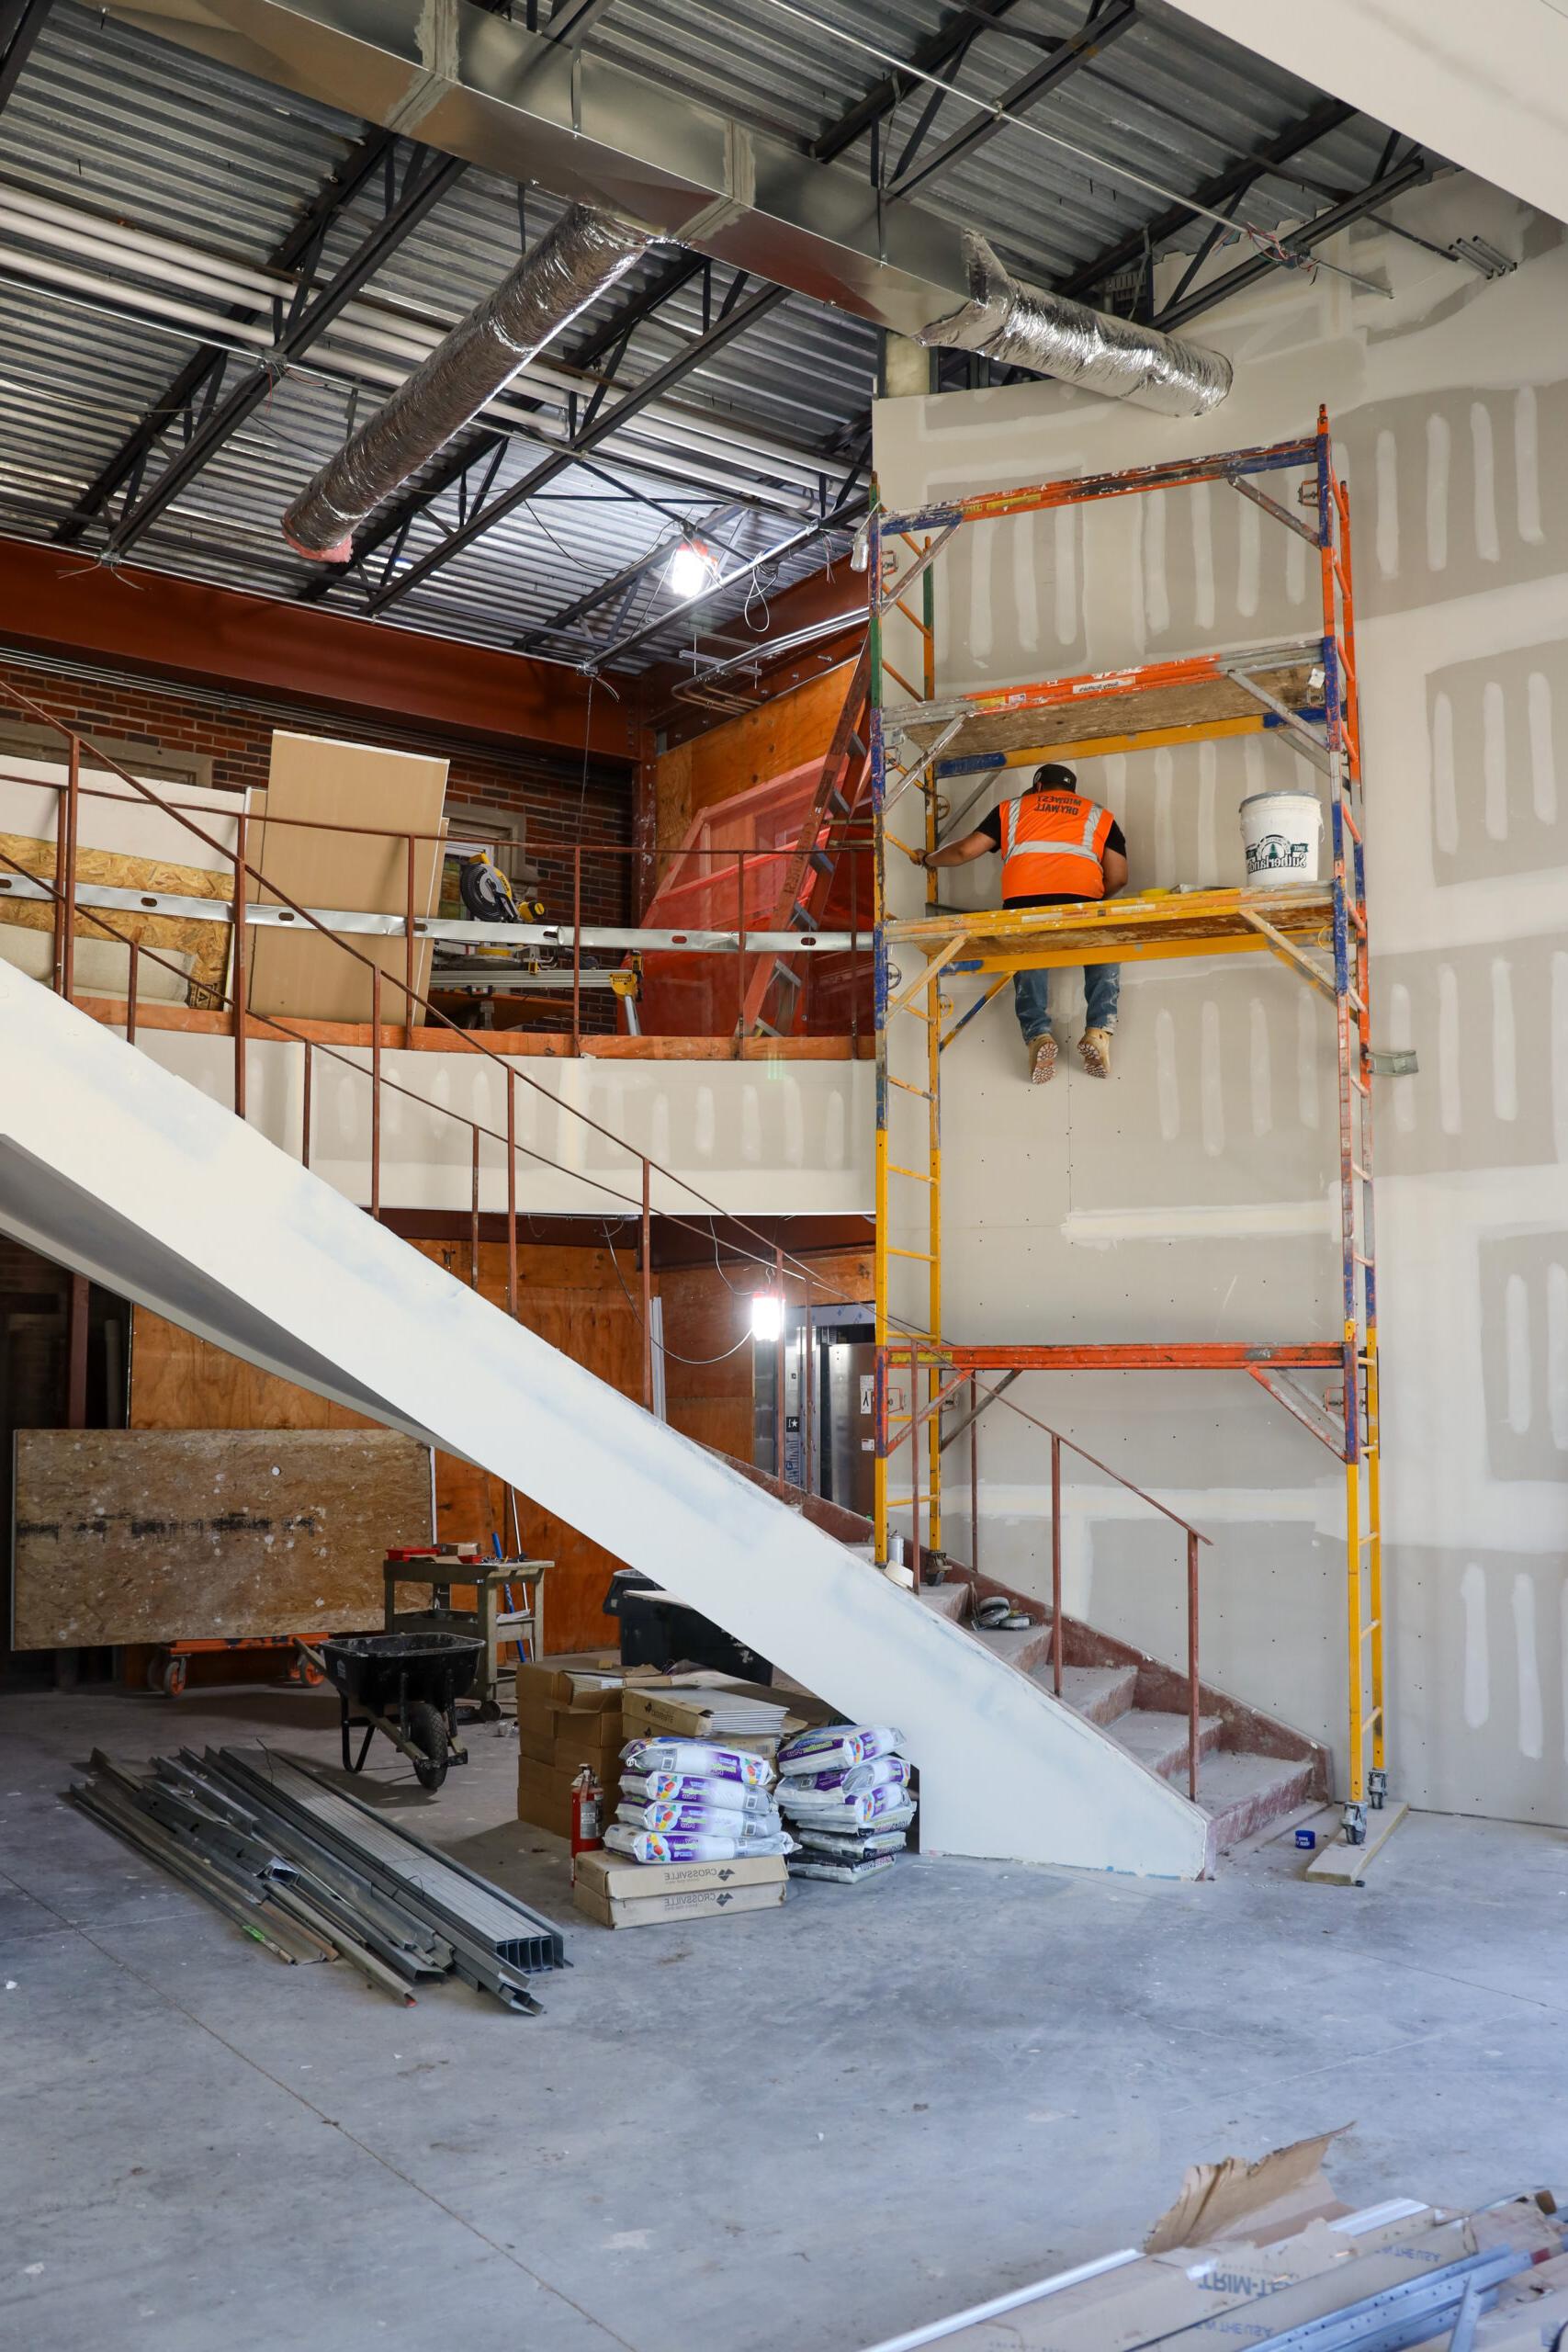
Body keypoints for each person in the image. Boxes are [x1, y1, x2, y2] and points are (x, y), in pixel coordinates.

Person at [909, 762, 1127, 1084]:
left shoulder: (1012, 809)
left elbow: (966, 850)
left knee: (1028, 959)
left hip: (1025, 907)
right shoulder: (1099, 814)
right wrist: (1091, 900)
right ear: (1072, 791)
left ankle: (1039, 1035)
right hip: (1083, 903)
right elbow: (1120, 877)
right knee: (1103, 948)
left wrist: (928, 859)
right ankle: (1098, 1031)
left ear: (1037, 787)